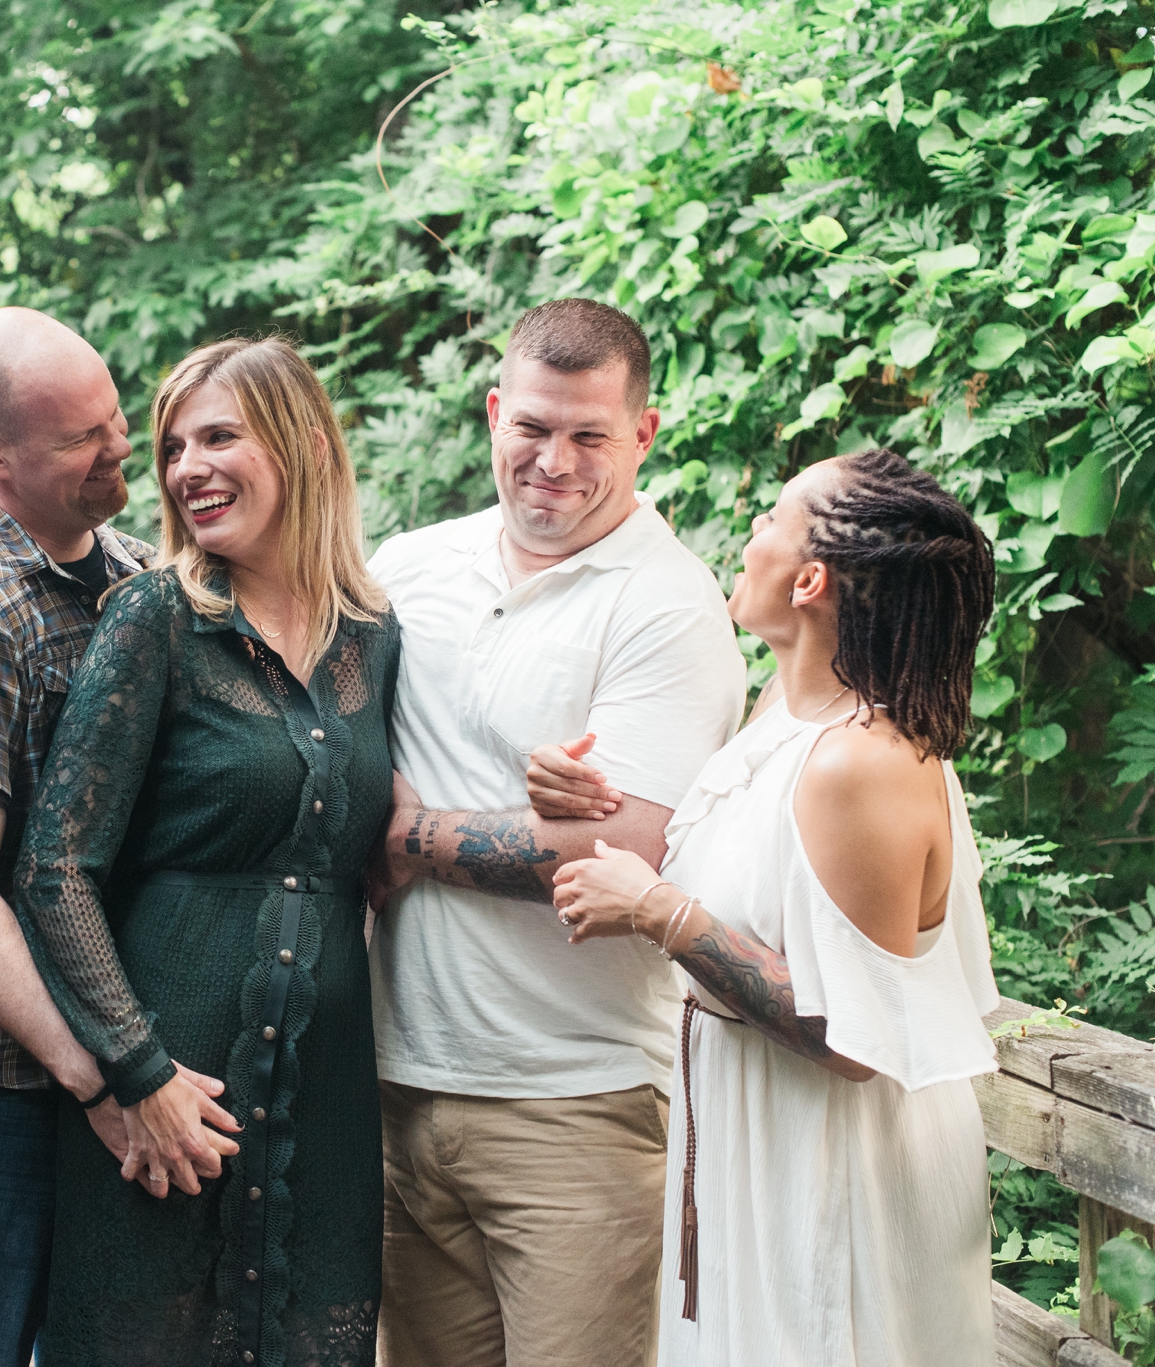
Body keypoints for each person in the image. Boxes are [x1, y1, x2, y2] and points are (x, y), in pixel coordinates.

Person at [549, 449, 1000, 1365]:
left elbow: (851, 1042)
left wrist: (659, 912)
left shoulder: (862, 762)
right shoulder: (782, 713)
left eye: (770, 518)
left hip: (832, 1169)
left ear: (810, 579)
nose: (748, 532)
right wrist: (573, 786)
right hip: (746, 1146)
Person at [368, 299, 745, 1367]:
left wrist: (411, 832)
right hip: (398, 1078)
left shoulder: (664, 606)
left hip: (573, 1099)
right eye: (531, 427)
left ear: (643, 434)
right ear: (492, 412)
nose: (553, 461)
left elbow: (619, 851)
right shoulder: (408, 567)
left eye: (588, 434)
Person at [13, 336, 400, 1367]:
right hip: (169, 1087)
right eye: (174, 445)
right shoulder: (156, 619)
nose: (186, 468)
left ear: (306, 443)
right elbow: (55, 866)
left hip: (321, 1095)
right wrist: (136, 1070)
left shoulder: (375, 635)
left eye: (218, 435)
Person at [0, 305, 186, 1367]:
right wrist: (103, 1078)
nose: (120, 449)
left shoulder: (137, 571)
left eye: (115, 418)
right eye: (80, 439)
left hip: (123, 1050)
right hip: (6, 1090)